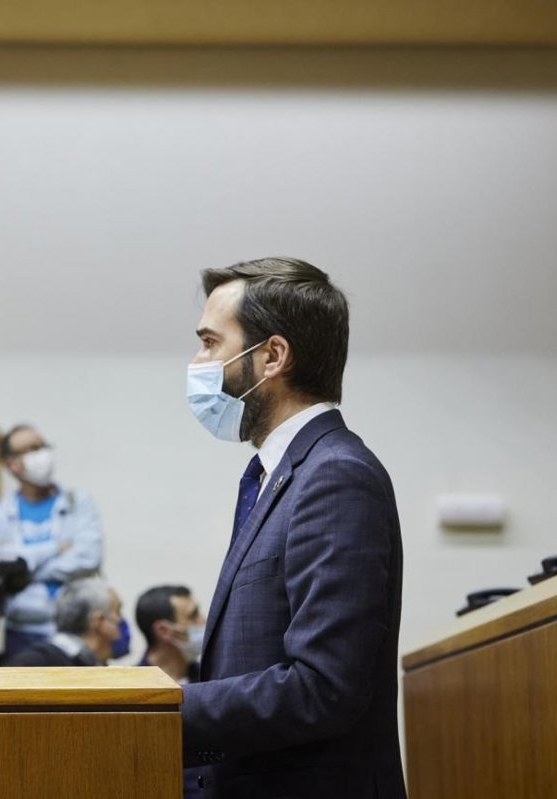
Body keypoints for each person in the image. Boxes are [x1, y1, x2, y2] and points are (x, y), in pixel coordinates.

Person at [181, 257, 406, 798]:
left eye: (210, 343)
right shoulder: (277, 475)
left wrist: (158, 707)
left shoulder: (335, 476)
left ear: (272, 356)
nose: (197, 362)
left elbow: (323, 686)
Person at [0, 424, 104, 660]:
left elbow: (88, 558)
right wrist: (56, 548)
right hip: (22, 632)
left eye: (42, 446)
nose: (42, 453)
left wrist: (28, 569)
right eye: (32, 449)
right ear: (12, 464)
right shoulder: (2, 512)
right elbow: (7, 566)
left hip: (77, 630)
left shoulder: (78, 502)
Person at [0, 577, 122, 666]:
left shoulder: (91, 662)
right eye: (117, 611)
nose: (120, 620)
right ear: (99, 621)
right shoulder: (35, 662)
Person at [135, 585, 204, 684]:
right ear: (163, 631)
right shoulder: (131, 687)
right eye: (193, 616)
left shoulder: (210, 678)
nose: (204, 620)